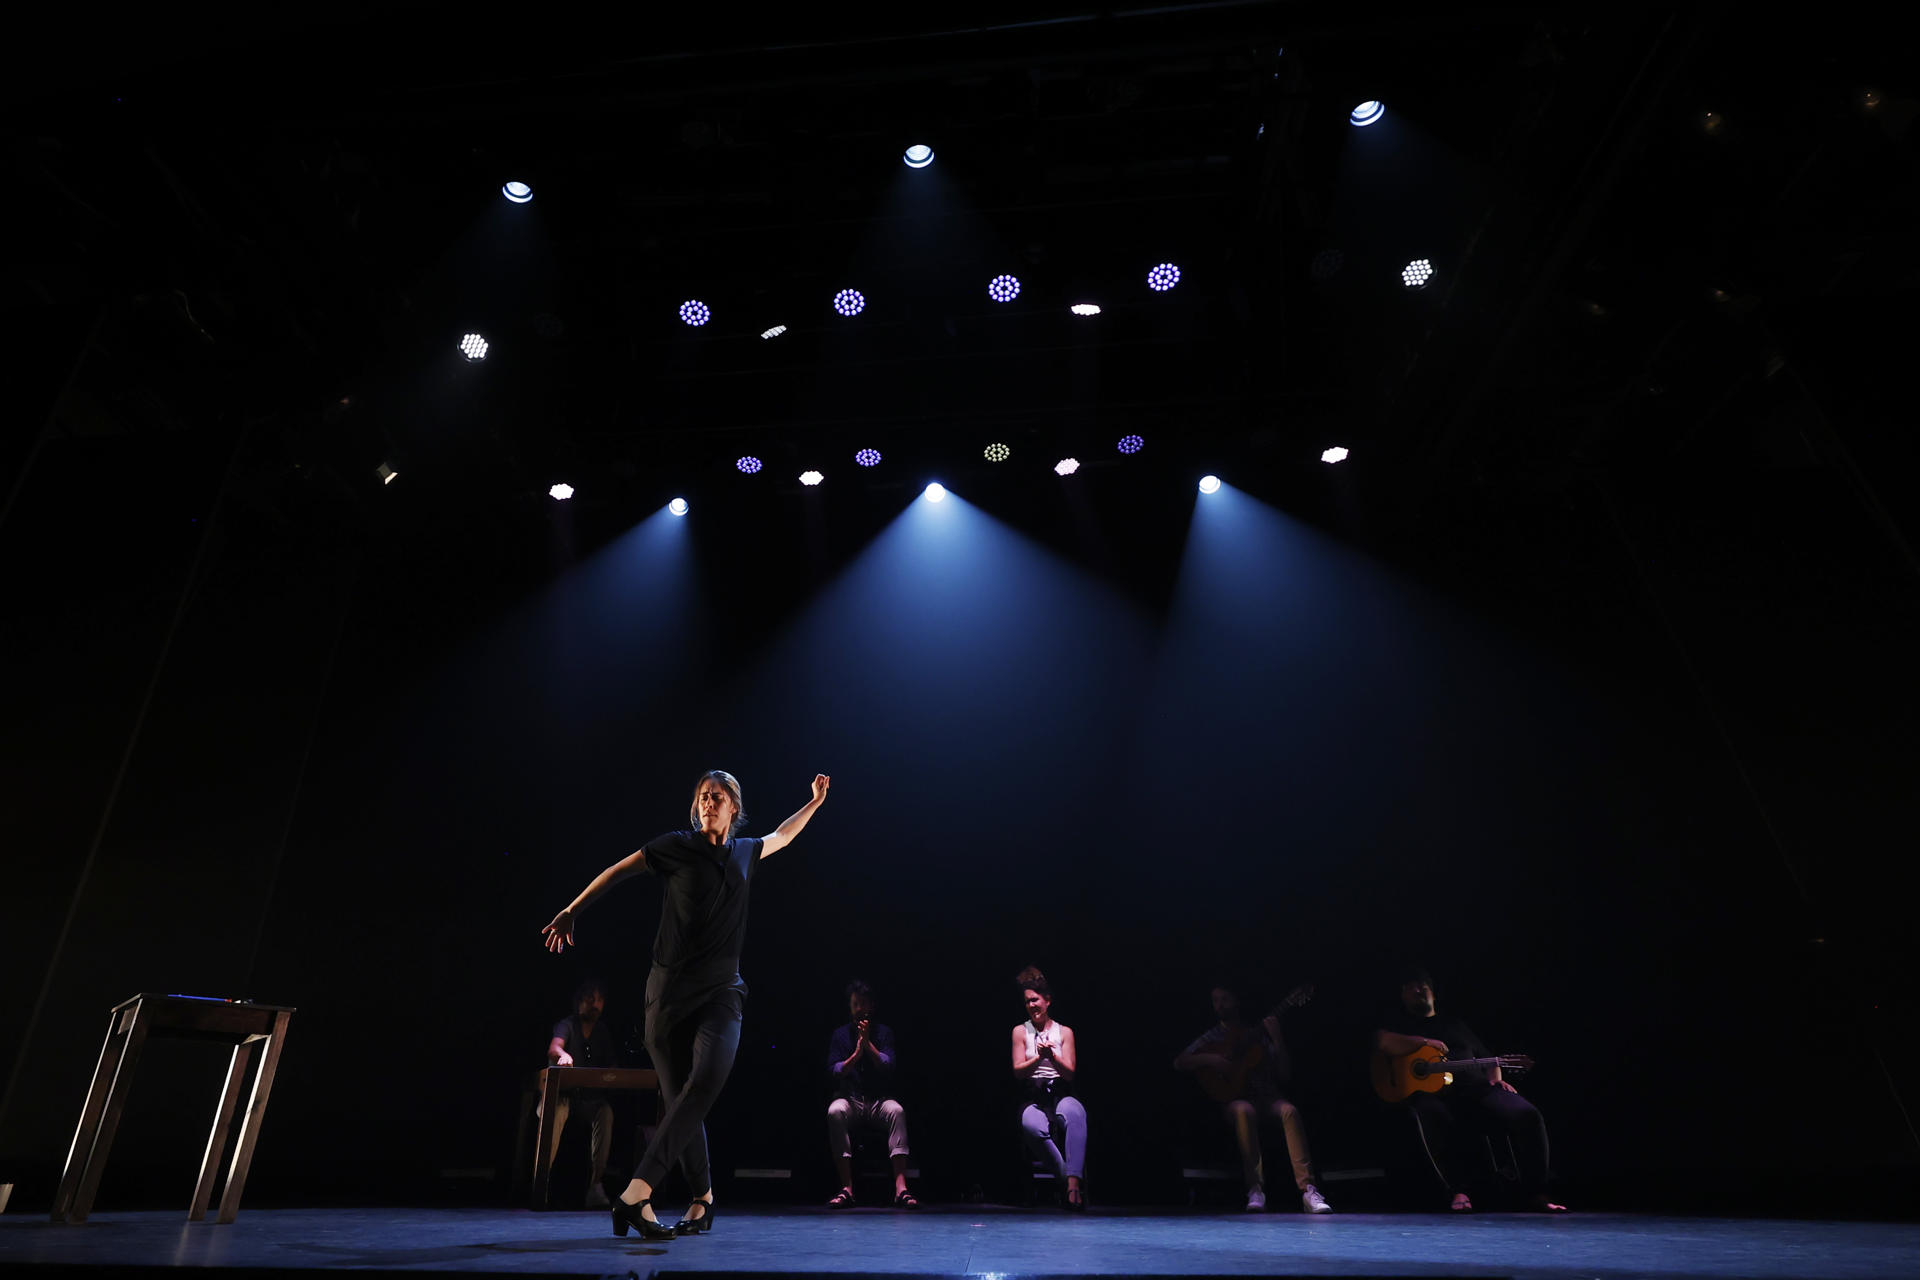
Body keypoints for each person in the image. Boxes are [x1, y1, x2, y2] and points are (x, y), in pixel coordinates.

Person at [543, 769, 830, 1239]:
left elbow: (782, 834)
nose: (707, 803)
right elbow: (618, 870)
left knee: (705, 1082)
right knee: (680, 1100)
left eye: (717, 797)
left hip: (722, 991)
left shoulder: (745, 852)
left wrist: (814, 803)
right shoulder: (676, 846)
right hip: (667, 994)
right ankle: (703, 1200)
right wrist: (573, 908)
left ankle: (636, 1194)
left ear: (733, 807)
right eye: (701, 796)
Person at [1373, 966, 1566, 1212]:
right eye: (1411, 987)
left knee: (1527, 1114)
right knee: (1431, 1112)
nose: (1418, 989)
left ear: (1434, 993)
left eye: (1424, 985)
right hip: (1434, 1095)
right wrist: (1425, 1042)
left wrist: (1496, 1078)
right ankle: (1458, 1190)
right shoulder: (1399, 1025)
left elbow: (1489, 1059)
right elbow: (1383, 1042)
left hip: (1475, 1090)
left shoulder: (1455, 1024)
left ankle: (1537, 1194)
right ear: (1402, 994)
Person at [1173, 985, 1332, 1213]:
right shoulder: (1213, 1036)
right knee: (1244, 1110)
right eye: (1215, 1000)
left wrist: (1277, 1038)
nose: (1220, 1005)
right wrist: (1211, 1059)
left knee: (1290, 1111)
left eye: (1224, 999)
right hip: (1234, 1098)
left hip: (1265, 1096)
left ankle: (1309, 1190)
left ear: (1236, 1001)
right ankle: (1255, 1188)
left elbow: (1284, 1074)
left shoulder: (1255, 1033)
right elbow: (1180, 1062)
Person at [824, 979, 918, 1208]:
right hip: (851, 1099)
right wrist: (857, 1054)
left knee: (897, 1111)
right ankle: (846, 1188)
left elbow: (888, 1065)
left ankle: (900, 1188)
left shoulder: (884, 1033)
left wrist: (868, 1045)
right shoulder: (840, 1035)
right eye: (855, 1004)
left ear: (871, 1007)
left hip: (878, 1101)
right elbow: (835, 1070)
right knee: (834, 1111)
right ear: (850, 1006)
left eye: (863, 1004)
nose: (859, 1009)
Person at [1011, 965, 1087, 1210]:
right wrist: (1038, 1058)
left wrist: (1052, 1057)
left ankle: (1074, 1186)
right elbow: (1018, 1071)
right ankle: (1069, 1182)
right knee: (1031, 1125)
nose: (1031, 1006)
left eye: (1035, 1000)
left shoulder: (1064, 1032)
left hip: (1060, 1090)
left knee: (1075, 1114)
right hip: (1033, 1093)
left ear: (1048, 1001)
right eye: (1027, 1002)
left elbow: (1070, 1073)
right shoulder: (1021, 1032)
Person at [539, 977, 618, 1208]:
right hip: (562, 1096)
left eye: (600, 1000)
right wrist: (562, 1054)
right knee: (553, 1113)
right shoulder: (567, 1024)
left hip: (588, 1101)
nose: (595, 1004)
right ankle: (540, 1184)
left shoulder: (602, 1031)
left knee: (605, 1112)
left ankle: (595, 1185)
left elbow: (612, 1064)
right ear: (578, 1001)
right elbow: (554, 1047)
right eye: (589, 999)